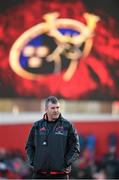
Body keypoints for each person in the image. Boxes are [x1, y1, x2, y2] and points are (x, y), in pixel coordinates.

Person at [25, 96, 80, 179]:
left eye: (57, 107)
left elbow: (75, 148)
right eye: (53, 108)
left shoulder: (68, 126)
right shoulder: (37, 126)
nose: (56, 110)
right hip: (39, 175)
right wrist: (34, 162)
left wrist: (65, 163)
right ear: (46, 109)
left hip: (60, 175)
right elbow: (29, 146)